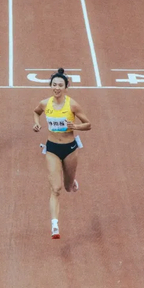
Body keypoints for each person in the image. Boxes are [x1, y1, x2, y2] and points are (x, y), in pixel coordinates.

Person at [33, 68, 91, 239]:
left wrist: (76, 126)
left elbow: (88, 124)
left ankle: (72, 181)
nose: (57, 88)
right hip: (52, 148)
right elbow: (36, 112)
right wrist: (36, 123)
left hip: (70, 148)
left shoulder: (72, 105)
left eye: (60, 85)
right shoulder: (45, 103)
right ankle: (55, 225)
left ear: (66, 87)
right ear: (51, 85)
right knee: (55, 189)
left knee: (68, 187)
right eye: (54, 85)